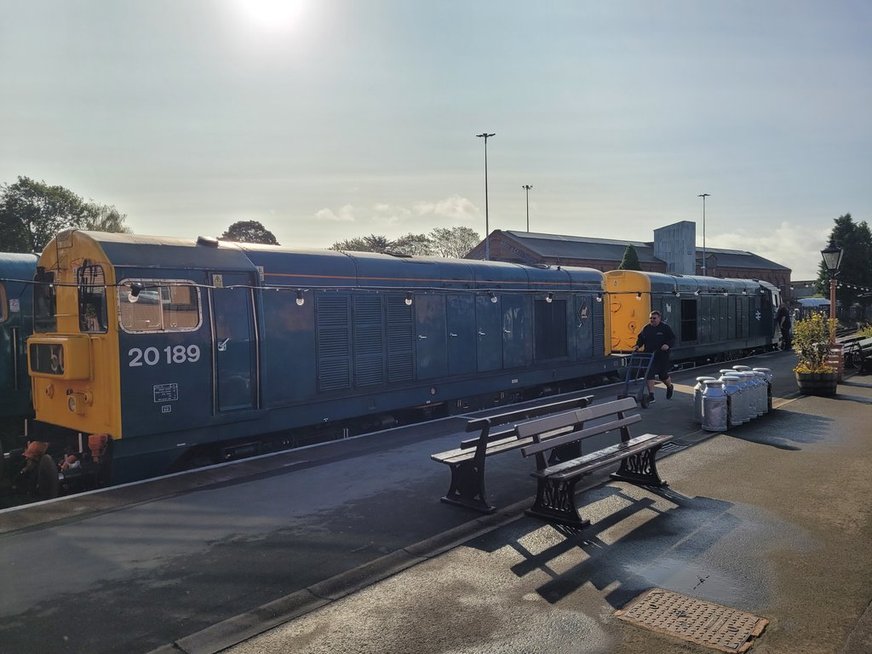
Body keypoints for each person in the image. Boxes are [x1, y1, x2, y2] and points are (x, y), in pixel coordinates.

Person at [633, 310, 676, 403]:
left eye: (654, 318)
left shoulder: (665, 328)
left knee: (663, 375)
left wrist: (667, 345)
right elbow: (641, 339)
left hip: (661, 355)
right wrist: (637, 345)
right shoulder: (646, 328)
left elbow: (672, 339)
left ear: (659, 318)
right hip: (648, 355)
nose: (652, 320)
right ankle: (651, 395)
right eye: (651, 318)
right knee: (649, 373)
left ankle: (669, 386)